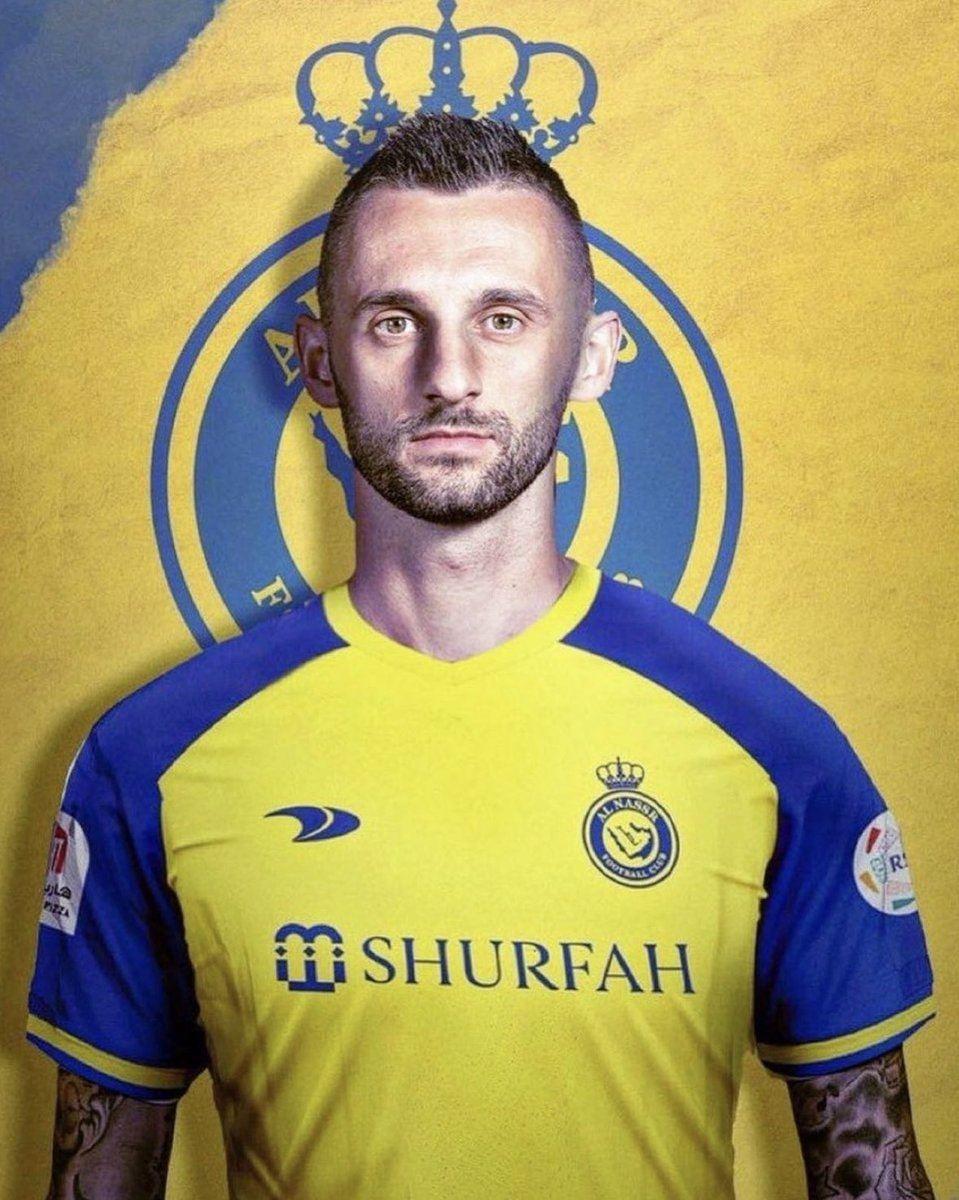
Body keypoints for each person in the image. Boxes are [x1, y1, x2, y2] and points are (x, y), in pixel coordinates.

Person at [26, 112, 937, 1200]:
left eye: (501, 318)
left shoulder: (775, 747)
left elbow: (871, 1176)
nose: (448, 374)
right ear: (317, 361)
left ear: (591, 355)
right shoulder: (151, 757)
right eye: (392, 322)